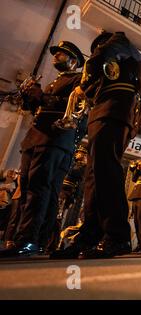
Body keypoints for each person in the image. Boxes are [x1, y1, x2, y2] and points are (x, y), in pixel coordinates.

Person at [50, 31, 141, 259]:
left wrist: (85, 81)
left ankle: (117, 236)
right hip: (104, 112)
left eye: (97, 48)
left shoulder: (118, 41)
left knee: (106, 171)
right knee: (94, 177)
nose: (96, 52)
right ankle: (90, 234)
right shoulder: (124, 63)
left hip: (114, 111)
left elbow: (104, 54)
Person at [0, 41, 85, 258]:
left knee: (39, 188)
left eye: (61, 54)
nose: (55, 57)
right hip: (37, 138)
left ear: (73, 60)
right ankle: (29, 238)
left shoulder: (78, 80)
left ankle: (28, 239)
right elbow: (39, 107)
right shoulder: (56, 81)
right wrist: (31, 98)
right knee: (29, 187)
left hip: (53, 139)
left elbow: (74, 107)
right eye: (55, 54)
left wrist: (43, 97)